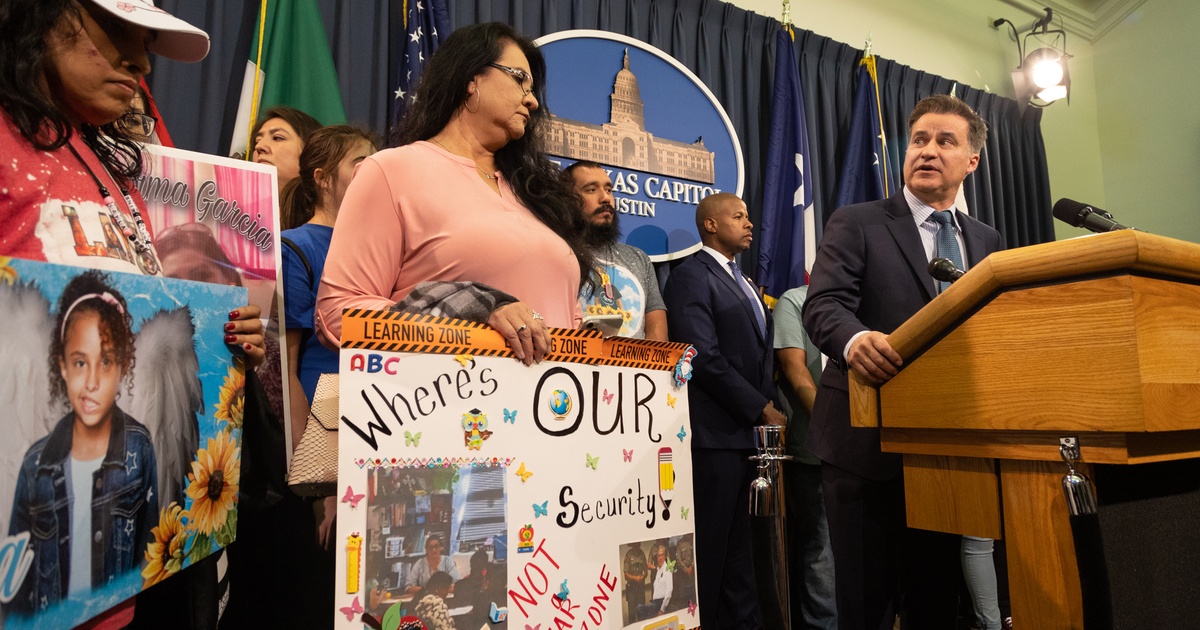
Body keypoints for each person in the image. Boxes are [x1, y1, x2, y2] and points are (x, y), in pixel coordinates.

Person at [0, 2, 263, 626]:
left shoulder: (107, 164)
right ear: (42, 18)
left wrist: (220, 338)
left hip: (107, 588)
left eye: (144, 42)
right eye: (117, 34)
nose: (140, 62)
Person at [802, 94, 1004, 630]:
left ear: (972, 161)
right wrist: (854, 340)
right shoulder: (860, 221)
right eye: (919, 140)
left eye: (945, 141)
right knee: (866, 605)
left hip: (946, 448)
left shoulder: (987, 241)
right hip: (865, 442)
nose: (928, 151)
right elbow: (823, 305)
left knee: (936, 599)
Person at [315, 22, 593, 365]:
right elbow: (341, 311)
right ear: (471, 79)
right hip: (449, 408)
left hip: (556, 409)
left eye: (533, 88)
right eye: (519, 78)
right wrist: (475, 312)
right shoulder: (392, 170)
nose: (532, 100)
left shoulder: (538, 196)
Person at [663, 192, 786, 630]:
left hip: (748, 438)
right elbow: (702, 355)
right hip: (715, 438)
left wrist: (766, 407)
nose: (749, 223)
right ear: (710, 225)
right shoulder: (690, 277)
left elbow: (759, 355)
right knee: (712, 555)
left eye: (749, 216)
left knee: (742, 557)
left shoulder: (746, 281)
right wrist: (760, 408)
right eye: (738, 216)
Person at [9, 270, 157, 612]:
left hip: (119, 616)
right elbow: (16, 588)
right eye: (79, 362)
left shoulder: (139, 447)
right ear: (62, 366)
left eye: (105, 362)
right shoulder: (35, 466)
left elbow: (150, 555)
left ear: (122, 367)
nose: (91, 381)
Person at [773, 285, 839, 630]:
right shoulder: (796, 300)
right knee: (821, 552)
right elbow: (794, 370)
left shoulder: (862, 296)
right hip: (819, 451)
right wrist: (835, 427)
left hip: (871, 450)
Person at [562, 160, 667, 340]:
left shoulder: (638, 258)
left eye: (609, 190)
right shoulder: (557, 252)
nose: (606, 198)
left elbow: (656, 327)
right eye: (591, 190)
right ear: (567, 199)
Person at [250, 106, 322, 230]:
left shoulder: (329, 229)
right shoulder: (228, 217)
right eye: (257, 141)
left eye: (277, 138)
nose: (259, 147)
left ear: (311, 153)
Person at [637, 543, 674, 620]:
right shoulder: (658, 571)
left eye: (662, 555)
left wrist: (662, 610)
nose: (660, 557)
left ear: (665, 556)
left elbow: (669, 592)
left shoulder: (668, 571)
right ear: (657, 558)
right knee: (640, 608)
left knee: (640, 608)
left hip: (660, 604)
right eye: (658, 556)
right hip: (654, 602)